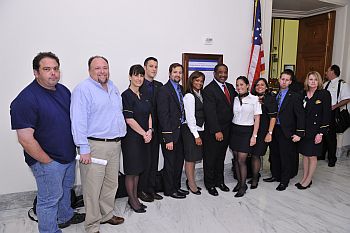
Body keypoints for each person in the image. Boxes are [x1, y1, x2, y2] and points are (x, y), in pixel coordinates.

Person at [10, 52, 85, 233]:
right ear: (36, 72)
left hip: (67, 156)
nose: (53, 73)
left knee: (66, 190)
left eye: (55, 69)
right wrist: (47, 161)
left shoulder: (63, 91)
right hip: (48, 161)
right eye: (47, 69)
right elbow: (25, 139)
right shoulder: (25, 100)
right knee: (49, 200)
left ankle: (65, 216)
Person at [70, 56, 126, 233]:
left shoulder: (112, 87)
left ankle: (107, 214)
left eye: (105, 67)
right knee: (92, 188)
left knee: (111, 184)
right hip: (94, 146)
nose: (102, 71)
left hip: (114, 144)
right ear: (89, 70)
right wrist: (83, 148)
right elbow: (78, 121)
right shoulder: (83, 89)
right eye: (97, 68)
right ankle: (92, 225)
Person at [121, 64, 152, 213]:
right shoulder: (126, 95)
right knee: (131, 171)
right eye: (136, 75)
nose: (139, 78)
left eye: (141, 75)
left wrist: (150, 131)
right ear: (130, 77)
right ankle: (132, 200)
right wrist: (144, 133)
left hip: (144, 137)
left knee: (139, 169)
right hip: (131, 139)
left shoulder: (144, 94)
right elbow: (129, 119)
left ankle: (135, 197)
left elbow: (149, 115)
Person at [203, 64, 236, 196]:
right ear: (215, 73)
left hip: (228, 130)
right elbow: (210, 113)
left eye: (225, 72)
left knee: (221, 158)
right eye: (220, 72)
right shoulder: (209, 90)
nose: (223, 75)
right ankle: (210, 184)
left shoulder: (230, 87)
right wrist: (217, 130)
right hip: (214, 132)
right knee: (211, 158)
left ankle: (219, 181)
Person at [157, 63, 189, 199]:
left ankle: (176, 187)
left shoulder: (182, 89)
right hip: (170, 134)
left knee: (178, 162)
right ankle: (169, 190)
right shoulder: (164, 90)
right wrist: (168, 138)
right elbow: (163, 116)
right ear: (169, 73)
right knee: (170, 163)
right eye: (175, 72)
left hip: (181, 132)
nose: (178, 75)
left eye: (180, 72)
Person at [269, 71, 305, 191]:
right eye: (282, 79)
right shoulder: (275, 95)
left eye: (286, 80)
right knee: (274, 154)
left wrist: (299, 133)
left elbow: (300, 116)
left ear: (290, 82)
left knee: (285, 157)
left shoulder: (294, 96)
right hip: (274, 130)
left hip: (287, 131)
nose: (284, 81)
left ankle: (284, 181)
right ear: (279, 80)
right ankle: (275, 175)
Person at [296, 71, 331, 189]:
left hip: (316, 131)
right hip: (304, 130)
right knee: (305, 155)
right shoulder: (303, 94)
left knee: (312, 156)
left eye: (315, 80)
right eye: (311, 79)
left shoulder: (324, 94)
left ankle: (308, 179)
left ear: (319, 81)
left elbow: (326, 115)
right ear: (307, 81)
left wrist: (321, 133)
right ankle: (304, 178)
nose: (313, 82)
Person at [230, 76, 261, 197]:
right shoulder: (235, 99)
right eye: (237, 85)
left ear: (247, 85)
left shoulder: (255, 99)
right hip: (235, 130)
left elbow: (257, 118)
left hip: (247, 131)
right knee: (236, 159)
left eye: (242, 84)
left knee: (242, 160)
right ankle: (239, 182)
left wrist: (254, 136)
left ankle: (243, 186)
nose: (239, 87)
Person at [138, 57, 164, 202]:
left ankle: (151, 189)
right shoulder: (138, 85)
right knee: (144, 161)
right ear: (145, 67)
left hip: (157, 130)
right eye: (151, 66)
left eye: (156, 67)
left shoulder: (160, 86)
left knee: (154, 160)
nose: (153, 69)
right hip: (142, 131)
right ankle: (141, 190)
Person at [251, 78, 277, 189]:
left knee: (256, 154)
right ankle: (253, 174)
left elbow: (273, 118)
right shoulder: (251, 98)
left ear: (266, 87)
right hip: (250, 130)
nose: (259, 87)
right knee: (252, 154)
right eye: (257, 85)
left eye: (262, 85)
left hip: (263, 132)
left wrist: (269, 133)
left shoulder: (270, 99)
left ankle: (255, 178)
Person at [182, 71, 206, 195]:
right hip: (191, 131)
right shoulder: (189, 96)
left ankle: (191, 181)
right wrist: (196, 136)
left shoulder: (200, 94)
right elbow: (190, 118)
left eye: (201, 81)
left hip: (199, 130)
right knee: (190, 159)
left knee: (195, 158)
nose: (199, 83)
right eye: (196, 80)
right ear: (191, 81)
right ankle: (191, 184)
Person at [322, 64, 350, 167]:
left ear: (332, 72)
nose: (326, 73)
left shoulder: (342, 84)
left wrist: (335, 106)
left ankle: (332, 158)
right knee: (323, 133)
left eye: (327, 71)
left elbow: (347, 98)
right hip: (324, 112)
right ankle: (321, 155)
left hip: (333, 112)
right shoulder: (325, 84)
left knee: (331, 136)